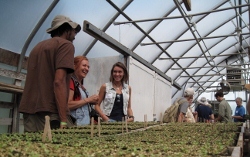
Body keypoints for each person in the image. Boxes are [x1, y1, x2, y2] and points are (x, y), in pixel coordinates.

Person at [19, 15, 81, 132]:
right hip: (51, 113)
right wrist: (63, 119)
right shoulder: (66, 45)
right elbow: (59, 81)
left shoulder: (37, 47)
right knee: (63, 148)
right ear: (66, 29)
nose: (74, 34)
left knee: (33, 148)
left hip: (30, 111)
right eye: (73, 30)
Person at [67, 56, 99, 126]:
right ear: (75, 66)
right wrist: (88, 100)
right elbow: (67, 105)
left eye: (88, 67)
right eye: (84, 65)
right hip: (76, 125)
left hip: (84, 124)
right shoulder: (71, 82)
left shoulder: (80, 86)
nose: (87, 69)